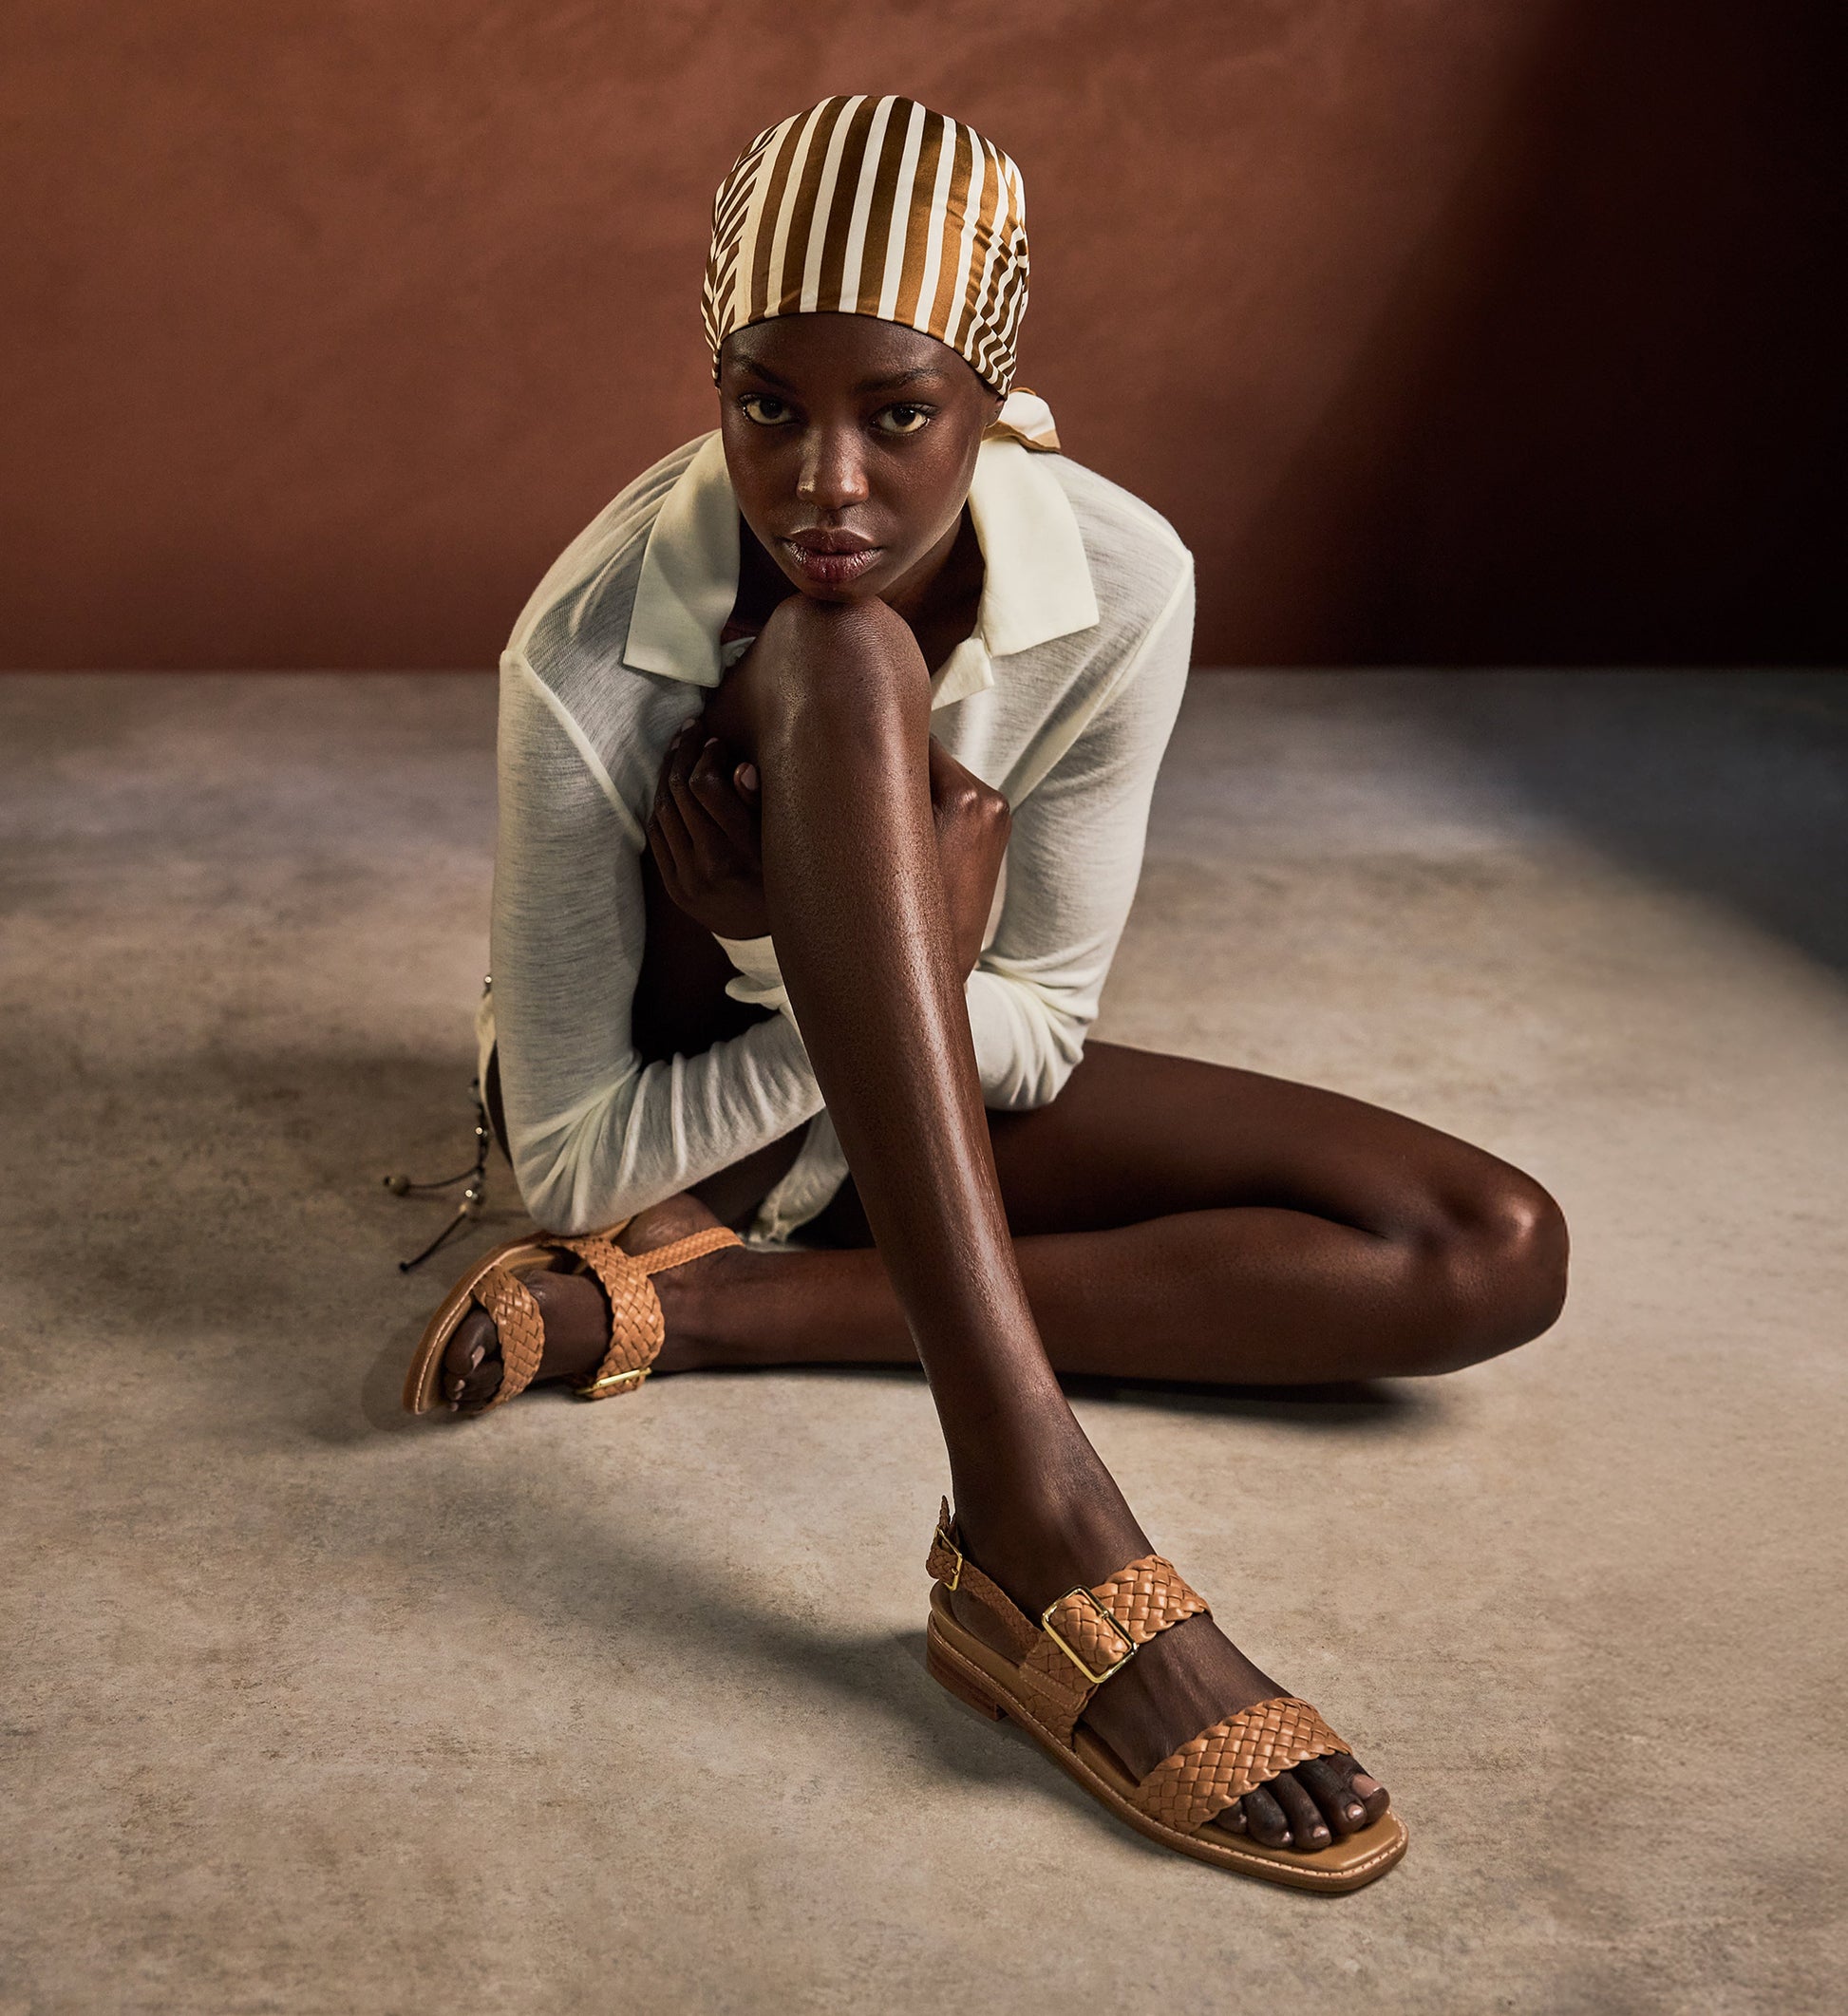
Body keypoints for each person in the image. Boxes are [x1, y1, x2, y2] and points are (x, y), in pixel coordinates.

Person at [402, 95, 1567, 1891]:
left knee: (1483, 1244)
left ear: (990, 395)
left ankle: (688, 1321)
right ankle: (1035, 1509)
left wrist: (842, 954)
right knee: (840, 659)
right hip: (669, 1129)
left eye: (897, 412)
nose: (823, 485)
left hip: (897, 1135)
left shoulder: (1119, 583)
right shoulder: (585, 645)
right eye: (767, 408)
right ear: (715, 388)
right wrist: (841, 965)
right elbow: (569, 1163)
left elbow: (1040, 1026)